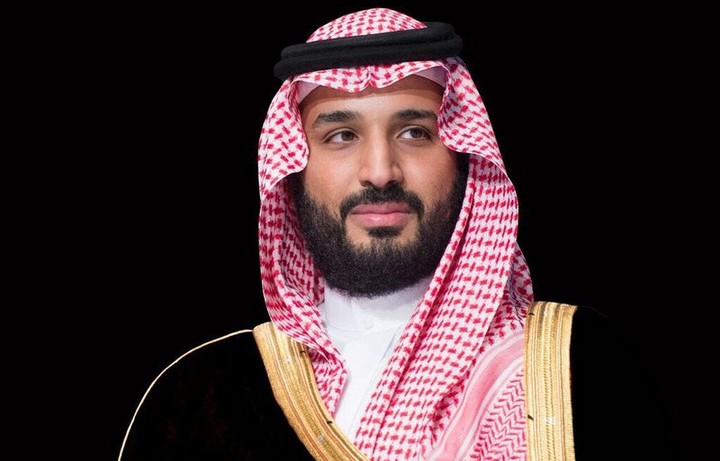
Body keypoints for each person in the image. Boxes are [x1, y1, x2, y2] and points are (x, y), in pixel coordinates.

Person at [118, 7, 672, 461]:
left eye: (414, 132)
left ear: (462, 156)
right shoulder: (199, 394)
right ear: (293, 168)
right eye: (341, 136)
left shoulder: (578, 366)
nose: (380, 171)